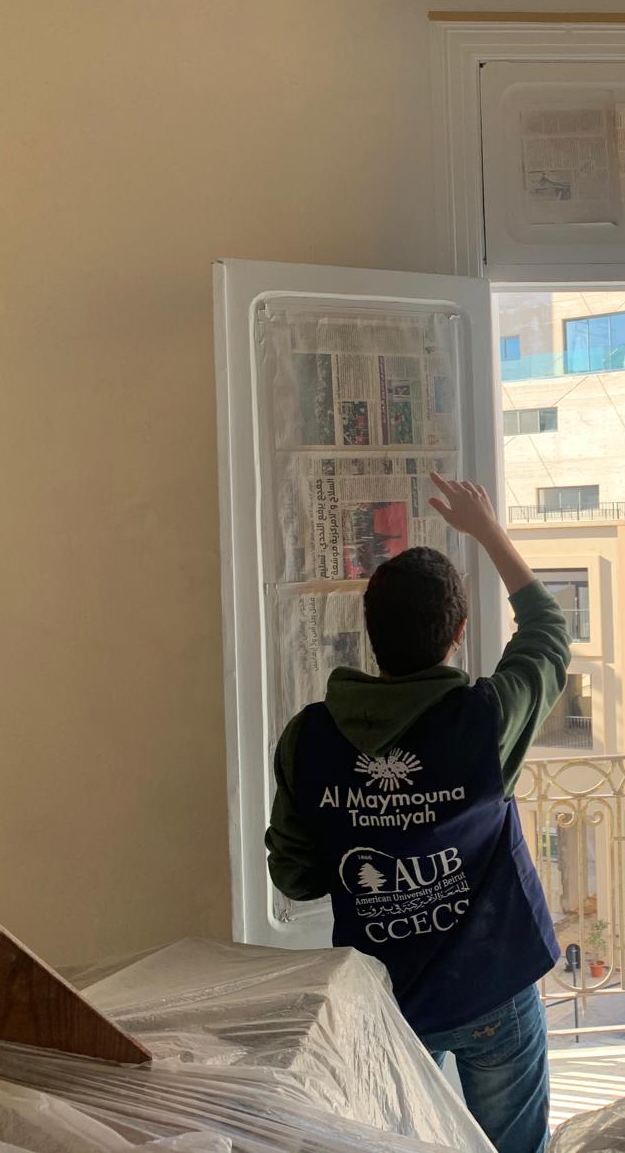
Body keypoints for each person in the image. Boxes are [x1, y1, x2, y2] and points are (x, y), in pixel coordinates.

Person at [265, 473, 570, 1153]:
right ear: (458, 633)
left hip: (387, 1007)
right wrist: (486, 530)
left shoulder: (308, 739)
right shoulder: (485, 722)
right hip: (494, 989)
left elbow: (295, 876)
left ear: (371, 637)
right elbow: (549, 633)